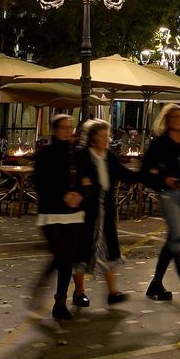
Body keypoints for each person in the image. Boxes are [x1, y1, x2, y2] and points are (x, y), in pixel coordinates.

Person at [141, 103, 180, 308]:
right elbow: (147, 169)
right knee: (177, 238)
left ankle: (155, 285)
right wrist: (163, 178)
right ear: (167, 120)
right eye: (174, 117)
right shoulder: (160, 142)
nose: (178, 121)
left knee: (172, 240)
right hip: (168, 194)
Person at [33, 114, 88, 321]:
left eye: (70, 127)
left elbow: (84, 178)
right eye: (64, 127)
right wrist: (63, 194)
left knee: (67, 259)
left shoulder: (78, 152)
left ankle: (60, 301)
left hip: (73, 212)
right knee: (61, 255)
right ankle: (44, 287)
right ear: (54, 130)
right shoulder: (45, 153)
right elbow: (40, 182)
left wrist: (79, 194)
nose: (68, 131)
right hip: (51, 212)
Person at [77, 119, 131, 307]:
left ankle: (112, 293)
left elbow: (125, 174)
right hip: (86, 212)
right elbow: (77, 179)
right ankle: (79, 292)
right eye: (101, 136)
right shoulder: (83, 156)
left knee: (107, 250)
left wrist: (150, 175)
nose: (106, 139)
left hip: (105, 212)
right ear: (92, 138)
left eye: (107, 135)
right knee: (83, 252)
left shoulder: (108, 157)